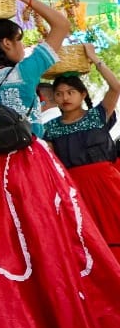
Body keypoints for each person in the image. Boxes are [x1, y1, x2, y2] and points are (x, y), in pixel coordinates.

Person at [0, 0, 120, 328]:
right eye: (19, 39)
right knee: (52, 242)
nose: (24, 45)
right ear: (8, 44)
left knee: (10, 248)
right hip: (30, 166)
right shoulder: (25, 73)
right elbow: (61, 27)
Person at [43, 45, 120, 264]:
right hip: (73, 188)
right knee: (86, 242)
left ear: (82, 94)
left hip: (108, 185)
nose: (64, 97)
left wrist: (95, 59)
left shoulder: (97, 115)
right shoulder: (51, 128)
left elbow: (116, 87)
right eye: (59, 93)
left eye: (70, 92)